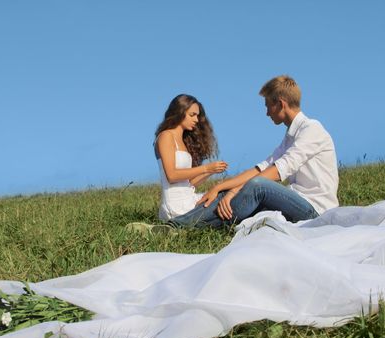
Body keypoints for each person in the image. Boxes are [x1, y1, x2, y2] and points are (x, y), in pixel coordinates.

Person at [169, 75, 339, 229]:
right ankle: (175, 226)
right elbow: (262, 168)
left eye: (268, 106)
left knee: (255, 186)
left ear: (280, 104)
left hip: (316, 211)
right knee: (233, 190)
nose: (267, 113)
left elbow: (279, 170)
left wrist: (236, 190)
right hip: (297, 202)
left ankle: (179, 227)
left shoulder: (312, 129)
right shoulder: (290, 136)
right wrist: (222, 186)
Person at [126, 94, 228, 233]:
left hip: (188, 198)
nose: (196, 120)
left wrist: (210, 171)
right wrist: (205, 167)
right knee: (223, 198)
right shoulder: (166, 136)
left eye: (197, 116)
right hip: (176, 204)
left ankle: (178, 230)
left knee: (226, 193)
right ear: (180, 112)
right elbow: (172, 175)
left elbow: (188, 183)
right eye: (192, 115)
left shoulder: (183, 141)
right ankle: (174, 227)